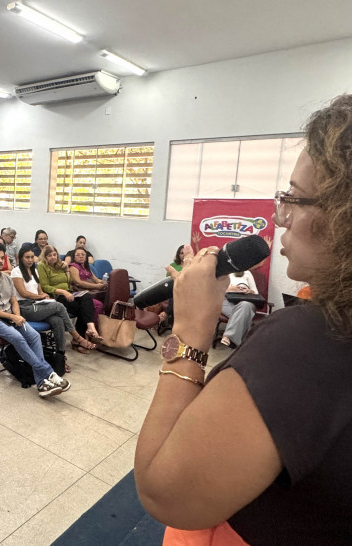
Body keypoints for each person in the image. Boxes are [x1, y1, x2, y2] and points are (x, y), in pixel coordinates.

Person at [135, 95, 352, 543]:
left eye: (294, 198)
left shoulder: (310, 340)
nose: (280, 217)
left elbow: (164, 494)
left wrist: (190, 331)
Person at [0, 242, 70, 397]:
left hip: (10, 315)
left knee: (34, 336)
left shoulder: (7, 279)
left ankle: (41, 384)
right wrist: (12, 316)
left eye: (2, 258)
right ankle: (48, 373)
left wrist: (17, 316)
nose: (0, 261)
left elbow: (14, 301)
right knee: (18, 337)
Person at [11, 247, 82, 370]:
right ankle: (76, 336)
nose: (30, 260)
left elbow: (40, 291)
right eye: (27, 257)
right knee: (59, 306)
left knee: (57, 320)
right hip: (24, 307)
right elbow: (23, 293)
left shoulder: (34, 271)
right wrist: (41, 296)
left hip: (37, 304)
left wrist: (45, 296)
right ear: (21, 259)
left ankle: (60, 357)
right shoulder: (16, 271)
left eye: (31, 257)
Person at [37, 245, 102, 352]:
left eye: (54, 254)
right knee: (83, 308)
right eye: (50, 255)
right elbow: (45, 287)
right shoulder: (41, 266)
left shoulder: (59, 265)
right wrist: (63, 291)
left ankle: (90, 327)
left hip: (69, 293)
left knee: (86, 296)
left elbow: (70, 281)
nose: (53, 257)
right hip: (56, 296)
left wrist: (66, 270)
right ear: (45, 257)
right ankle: (79, 339)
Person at [218, 270, 260, 348]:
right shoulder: (225, 271)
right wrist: (229, 289)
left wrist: (249, 291)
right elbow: (216, 290)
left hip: (245, 301)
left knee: (245, 306)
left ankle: (228, 337)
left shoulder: (247, 273)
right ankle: (238, 342)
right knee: (243, 314)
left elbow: (256, 293)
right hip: (228, 301)